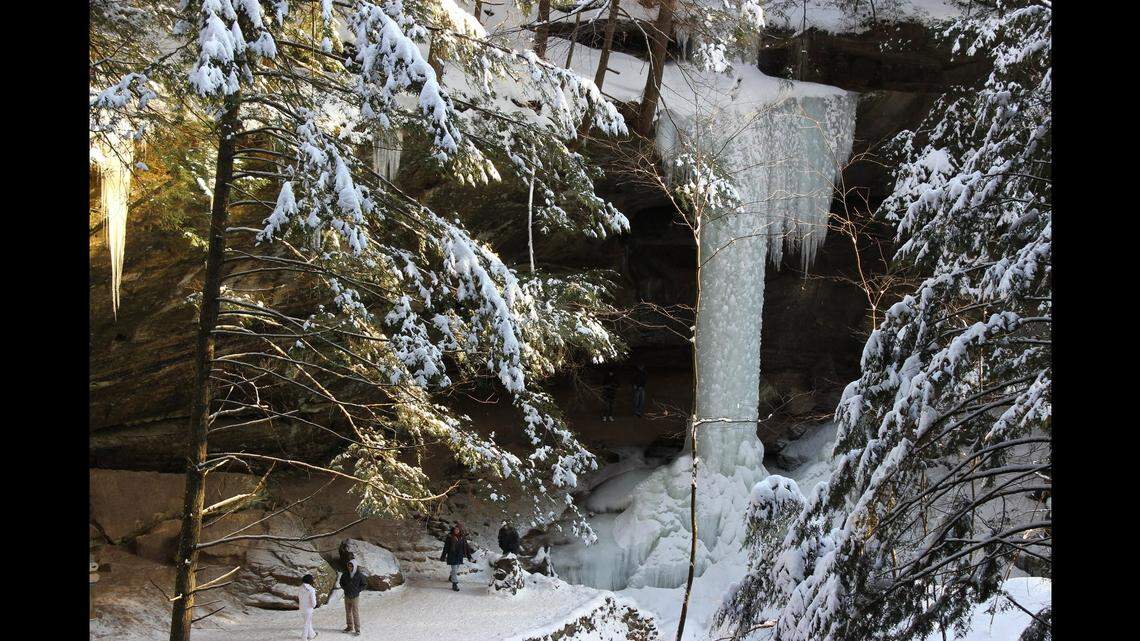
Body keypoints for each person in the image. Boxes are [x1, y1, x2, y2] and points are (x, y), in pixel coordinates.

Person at [440, 524, 475, 591]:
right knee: (454, 570)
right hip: (452, 555)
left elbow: (466, 547)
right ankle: (454, 584)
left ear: (460, 530)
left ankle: (451, 576)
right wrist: (443, 556)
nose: (456, 530)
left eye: (457, 529)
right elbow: (446, 547)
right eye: (455, 529)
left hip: (459, 556)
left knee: (455, 569)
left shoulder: (463, 537)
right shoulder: (450, 537)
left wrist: (469, 557)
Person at [339, 557, 366, 636]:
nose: (349, 567)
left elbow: (364, 584)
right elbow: (341, 582)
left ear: (355, 566)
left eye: (351, 566)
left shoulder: (359, 575)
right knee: (348, 612)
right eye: (349, 566)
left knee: (355, 613)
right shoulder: (345, 574)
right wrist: (345, 588)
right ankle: (349, 627)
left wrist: (358, 590)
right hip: (347, 596)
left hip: (355, 597)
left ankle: (357, 629)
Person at [298, 574, 318, 640]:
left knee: (308, 622)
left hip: (301, 607)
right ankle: (304, 638)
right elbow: (313, 603)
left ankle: (312, 635)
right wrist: (314, 605)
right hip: (308, 609)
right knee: (306, 623)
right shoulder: (311, 589)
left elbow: (299, 597)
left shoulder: (300, 587)